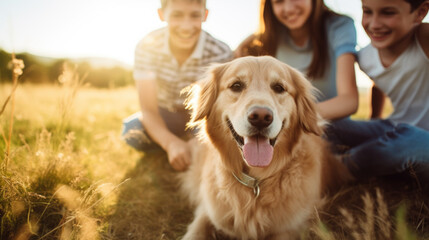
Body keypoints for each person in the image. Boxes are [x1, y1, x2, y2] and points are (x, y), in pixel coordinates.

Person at [121, 0, 233, 171]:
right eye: (177, 15)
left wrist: (197, 143)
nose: (186, 26)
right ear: (162, 15)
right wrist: (171, 143)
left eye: (195, 15)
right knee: (132, 130)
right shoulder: (147, 46)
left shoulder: (221, 52)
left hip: (202, 117)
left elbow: (221, 111)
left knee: (225, 138)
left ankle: (188, 148)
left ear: (205, 15)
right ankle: (173, 147)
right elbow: (148, 109)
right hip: (165, 112)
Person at [325, 0, 429, 182]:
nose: (374, 24)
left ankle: (336, 169)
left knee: (407, 141)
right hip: (394, 126)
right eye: (367, 12)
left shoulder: (424, 38)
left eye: (388, 13)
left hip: (419, 140)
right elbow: (379, 83)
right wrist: (374, 117)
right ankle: (374, 161)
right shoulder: (365, 58)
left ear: (420, 12)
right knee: (331, 125)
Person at [235, 0, 359, 121]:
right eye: (278, 1)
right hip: (282, 127)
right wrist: (241, 47)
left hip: (332, 126)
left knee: (376, 130)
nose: (288, 8)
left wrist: (295, 117)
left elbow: (349, 101)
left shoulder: (338, 26)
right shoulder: (271, 37)